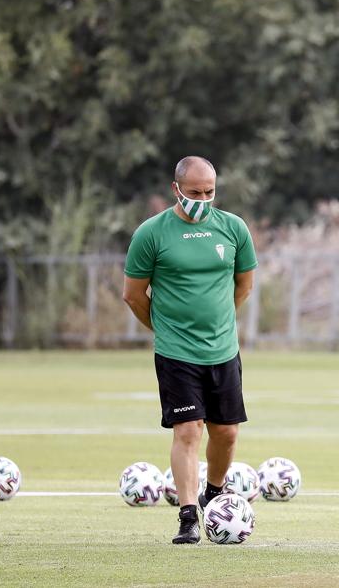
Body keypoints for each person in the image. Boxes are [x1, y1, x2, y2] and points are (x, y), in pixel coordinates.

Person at [122, 156, 257, 544]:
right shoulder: (151, 234)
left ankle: (212, 496)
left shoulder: (233, 228)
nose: (203, 198)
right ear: (176, 189)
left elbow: (244, 285)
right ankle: (187, 518)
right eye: (195, 192)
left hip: (223, 351)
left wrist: (220, 323)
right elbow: (133, 296)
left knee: (227, 433)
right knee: (187, 432)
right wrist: (165, 328)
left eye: (210, 192)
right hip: (176, 353)